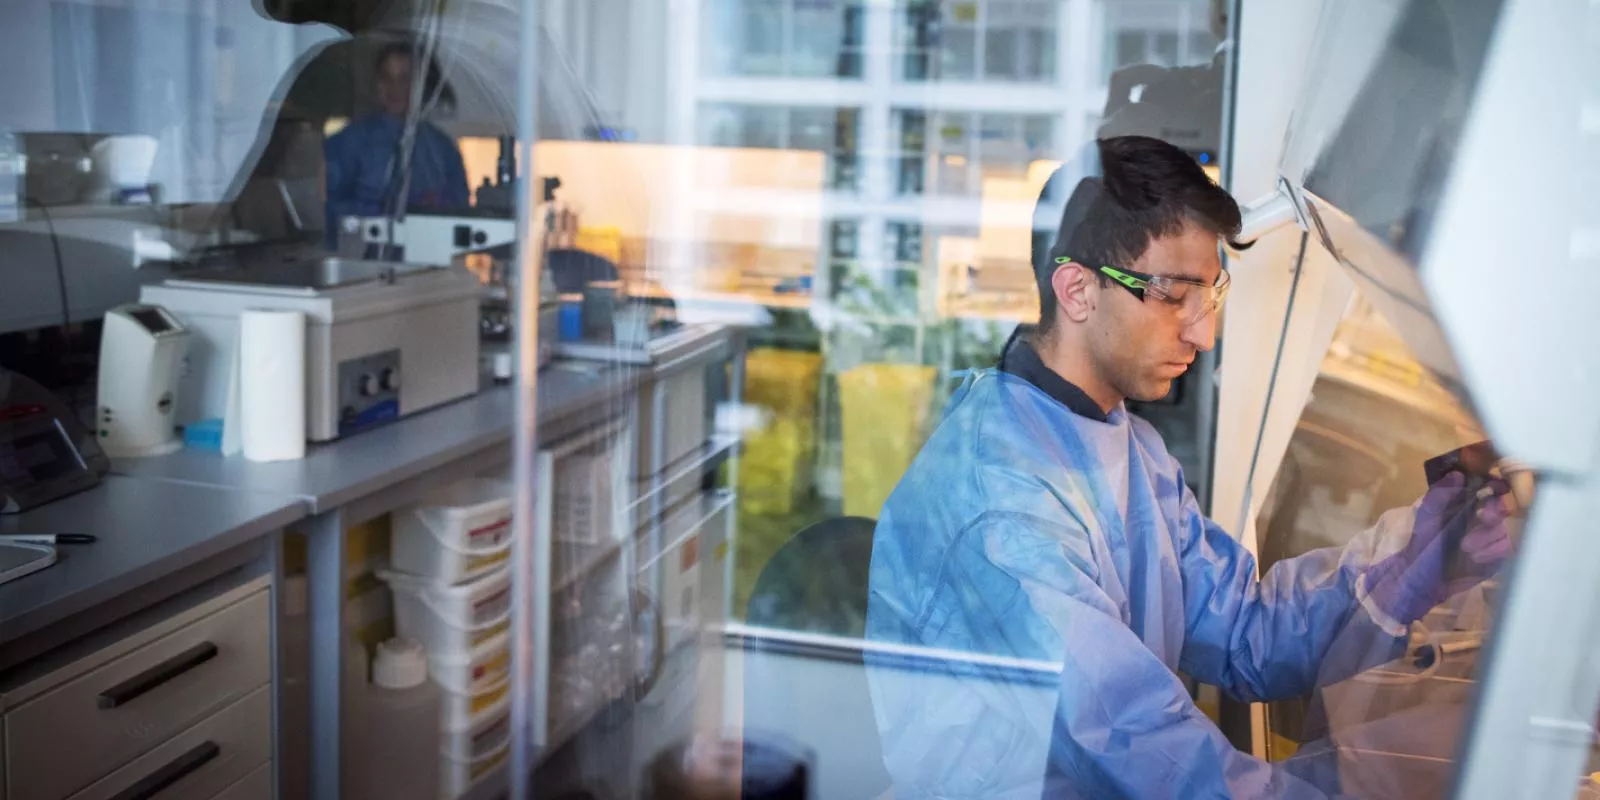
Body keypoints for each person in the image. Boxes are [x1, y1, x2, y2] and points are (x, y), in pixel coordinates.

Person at [864, 135, 1514, 799]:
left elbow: (1245, 633)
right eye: (1175, 294)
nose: (1204, 332)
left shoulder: (1124, 440)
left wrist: (1418, 559)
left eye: (1212, 293)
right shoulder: (1000, 507)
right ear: (1078, 290)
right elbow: (1142, 750)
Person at [324, 41, 469, 247]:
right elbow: (327, 212)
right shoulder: (349, 142)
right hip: (364, 266)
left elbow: (460, 213)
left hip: (428, 263)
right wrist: (378, 214)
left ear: (420, 85)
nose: (395, 88)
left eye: (404, 79)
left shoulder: (442, 148)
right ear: (376, 83)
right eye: (386, 78)